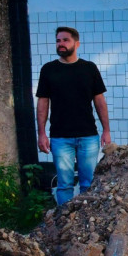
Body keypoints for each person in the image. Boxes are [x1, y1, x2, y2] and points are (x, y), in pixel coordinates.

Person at [36, 26, 112, 205]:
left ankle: (86, 224)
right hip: (60, 138)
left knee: (88, 184)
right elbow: (42, 103)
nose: (60, 44)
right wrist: (41, 133)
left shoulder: (89, 68)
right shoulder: (48, 70)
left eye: (65, 40)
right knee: (64, 185)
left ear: (76, 44)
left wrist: (106, 130)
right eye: (58, 40)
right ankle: (65, 225)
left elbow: (99, 101)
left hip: (88, 136)